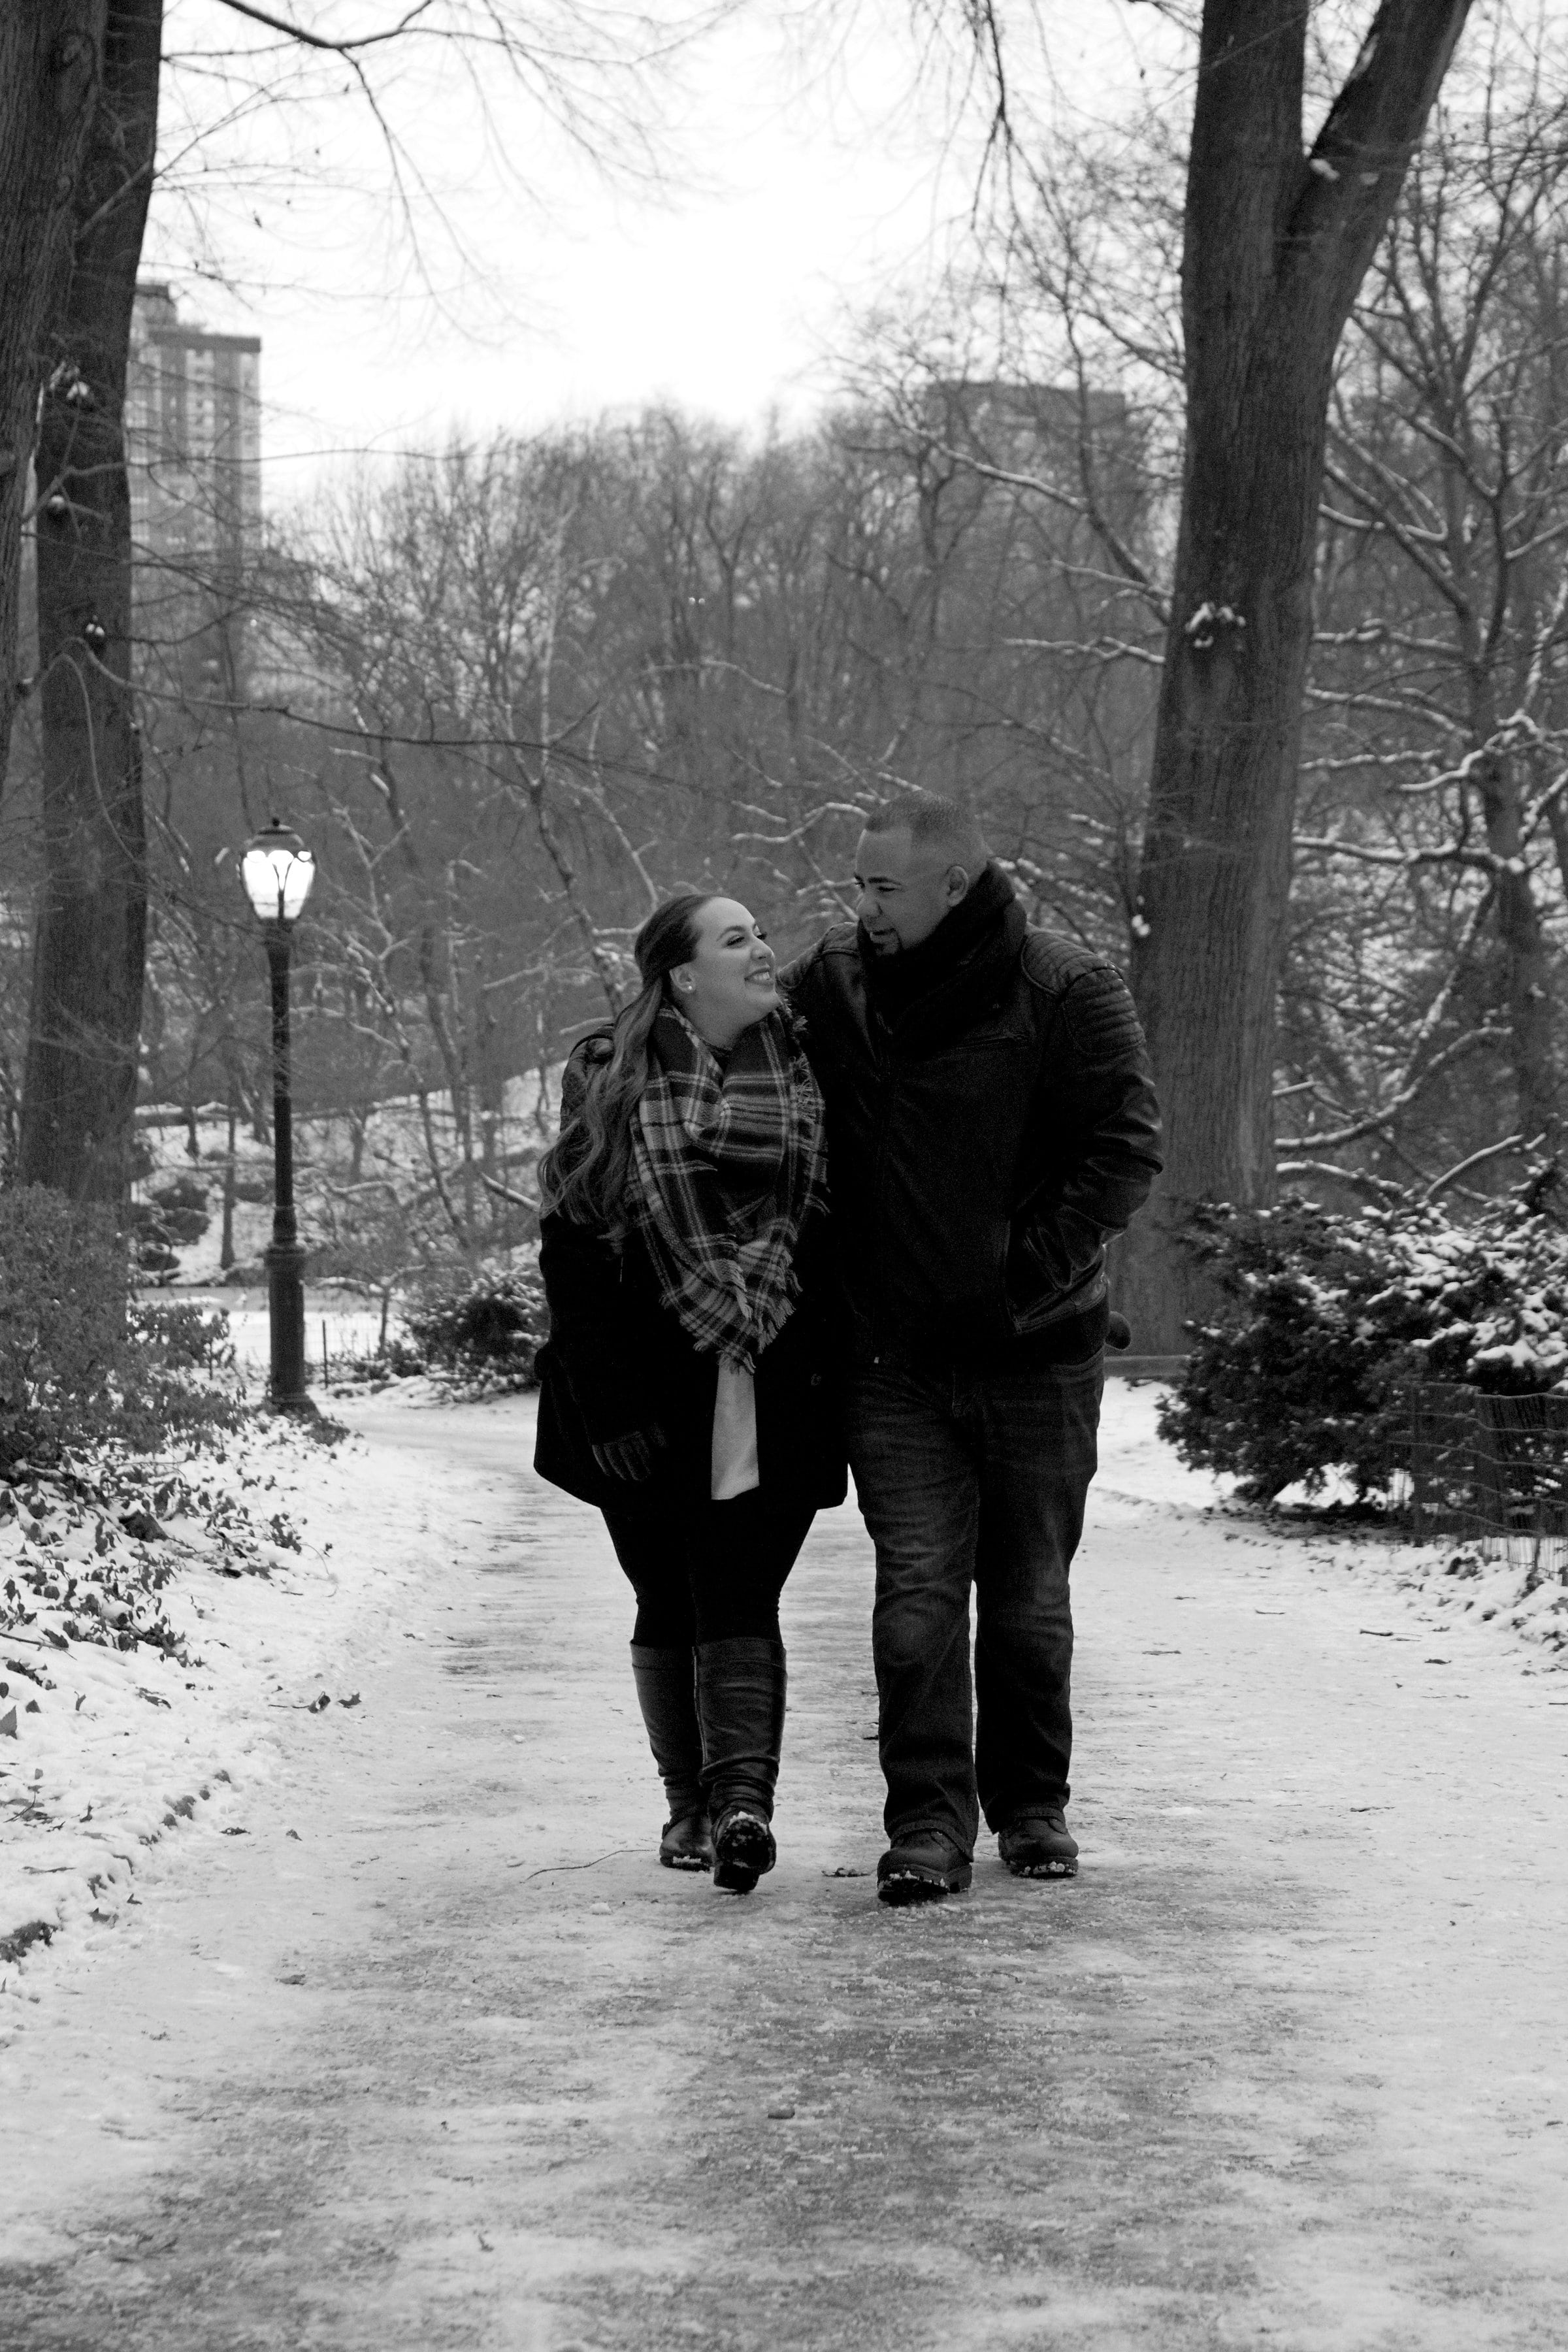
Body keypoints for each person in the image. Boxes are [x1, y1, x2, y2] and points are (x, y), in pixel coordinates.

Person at [781, 798, 1162, 1905]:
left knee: (1033, 1598)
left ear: (955, 885)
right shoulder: (833, 988)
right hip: (891, 1363)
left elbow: (1124, 1149)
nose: (862, 909)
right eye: (856, 886)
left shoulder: (1064, 987)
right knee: (916, 1601)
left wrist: (1016, 1278)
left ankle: (1033, 1807)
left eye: (883, 889)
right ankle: (929, 1824)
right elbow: (735, 1048)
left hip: (1036, 1352)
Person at [533, 893, 845, 1894]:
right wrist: (611, 1403)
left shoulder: (810, 1075)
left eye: (760, 931)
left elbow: (838, 1237)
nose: (764, 950)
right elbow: (572, 1253)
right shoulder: (609, 1082)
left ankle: (743, 1802)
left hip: (775, 1378)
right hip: (644, 1397)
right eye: (737, 938)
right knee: (666, 1594)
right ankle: (690, 1805)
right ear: (681, 975)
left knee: (744, 1590)